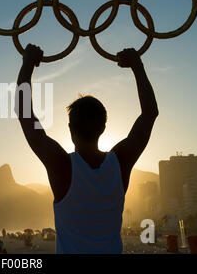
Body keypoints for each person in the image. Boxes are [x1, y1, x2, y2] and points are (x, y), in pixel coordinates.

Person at [15, 44, 158, 254]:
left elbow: (24, 112)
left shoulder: (61, 166)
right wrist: (137, 65)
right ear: (103, 128)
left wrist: (28, 63)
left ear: (70, 128)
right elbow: (150, 113)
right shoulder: (120, 162)